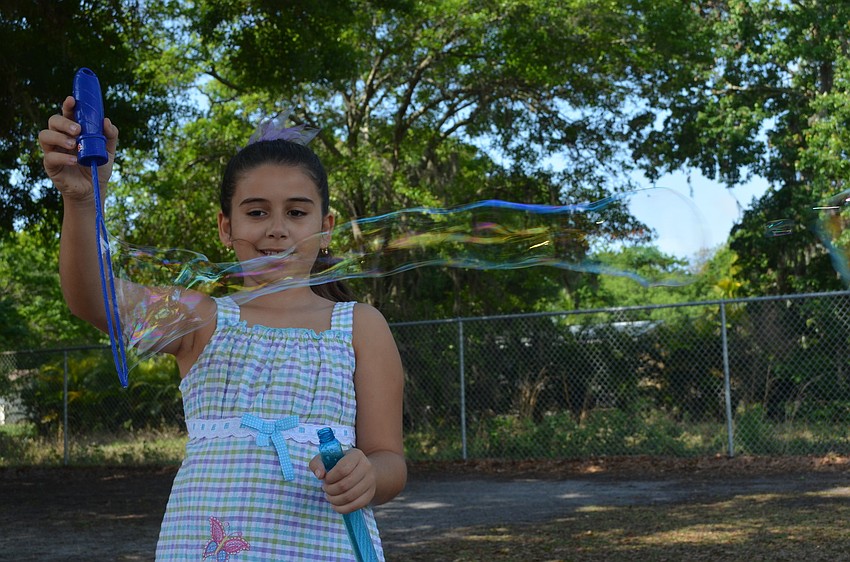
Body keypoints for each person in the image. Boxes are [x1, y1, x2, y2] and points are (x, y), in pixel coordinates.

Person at [39, 97, 406, 560]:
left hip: (323, 547)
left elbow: (389, 458)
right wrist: (83, 198)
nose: (276, 229)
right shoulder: (202, 319)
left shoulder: (360, 325)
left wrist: (369, 476)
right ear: (224, 226)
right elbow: (93, 298)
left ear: (326, 226)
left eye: (296, 212)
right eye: (256, 212)